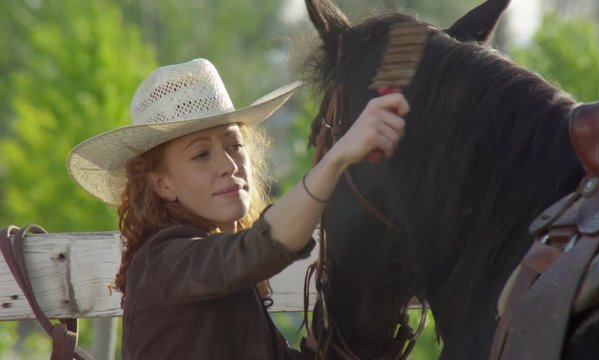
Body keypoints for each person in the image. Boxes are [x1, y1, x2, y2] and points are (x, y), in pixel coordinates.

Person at [67, 58, 408, 359]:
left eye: (234, 144)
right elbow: (260, 248)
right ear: (161, 184)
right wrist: (337, 158)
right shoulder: (162, 262)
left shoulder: (224, 274)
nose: (228, 164)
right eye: (202, 154)